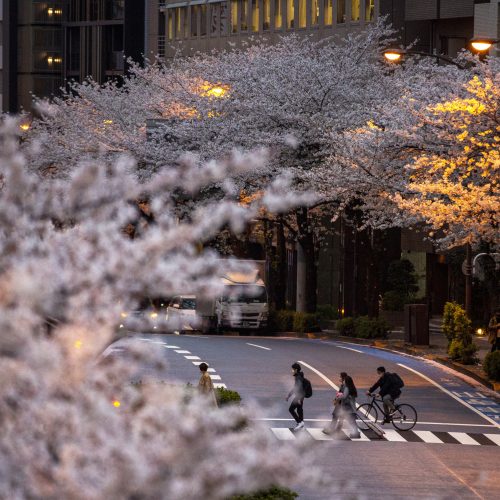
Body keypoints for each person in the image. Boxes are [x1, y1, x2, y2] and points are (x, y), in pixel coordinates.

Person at [322, 372, 360, 439]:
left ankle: (356, 433)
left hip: (347, 407)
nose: (339, 378)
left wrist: (337, 398)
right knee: (336, 416)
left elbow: (344, 396)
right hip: (344, 405)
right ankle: (334, 429)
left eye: (340, 377)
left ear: (344, 379)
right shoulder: (344, 386)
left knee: (350, 420)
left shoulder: (347, 387)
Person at [286, 362, 305, 431]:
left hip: (299, 396)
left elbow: (297, 388)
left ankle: (299, 422)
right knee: (299, 410)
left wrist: (289, 396)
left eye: (293, 369)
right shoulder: (300, 376)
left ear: (296, 370)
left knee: (291, 409)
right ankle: (301, 423)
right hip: (301, 396)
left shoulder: (298, 377)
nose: (292, 371)